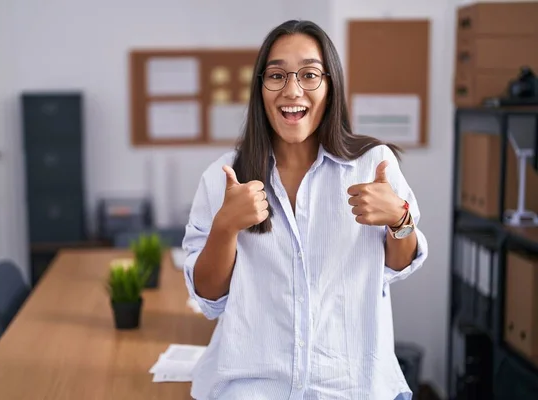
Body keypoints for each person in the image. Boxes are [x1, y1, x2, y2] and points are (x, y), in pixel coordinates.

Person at [182, 19, 428, 400]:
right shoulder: (223, 177)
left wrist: (401, 218)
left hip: (354, 387)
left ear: (330, 86)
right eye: (277, 75)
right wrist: (224, 228)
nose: (292, 90)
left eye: (310, 74)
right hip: (252, 388)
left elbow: (399, 265)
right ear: (260, 87)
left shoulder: (372, 163)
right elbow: (209, 299)